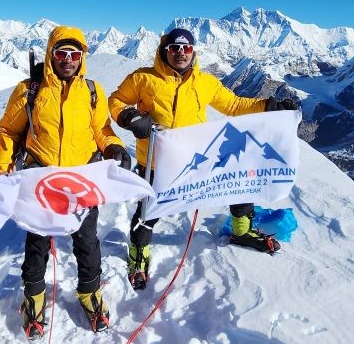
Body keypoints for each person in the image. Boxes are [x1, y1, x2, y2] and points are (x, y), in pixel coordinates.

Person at [108, 28, 298, 290]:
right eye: (175, 48)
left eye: (187, 49)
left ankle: (241, 230)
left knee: (236, 178)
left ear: (193, 52)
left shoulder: (204, 82)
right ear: (165, 50)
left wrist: (269, 106)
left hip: (196, 159)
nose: (181, 53)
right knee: (149, 210)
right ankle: (139, 256)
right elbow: (116, 100)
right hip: (156, 161)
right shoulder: (143, 79)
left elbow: (233, 105)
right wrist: (131, 118)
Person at [0, 26, 131, 338]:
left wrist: (113, 146)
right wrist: (3, 169)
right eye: (61, 53)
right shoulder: (29, 90)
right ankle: (34, 297)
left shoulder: (91, 92)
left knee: (86, 240)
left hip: (80, 180)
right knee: (38, 242)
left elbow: (101, 130)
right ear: (50, 55)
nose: (67, 59)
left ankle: (90, 293)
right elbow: (9, 132)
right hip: (41, 178)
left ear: (82, 57)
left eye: (74, 54)